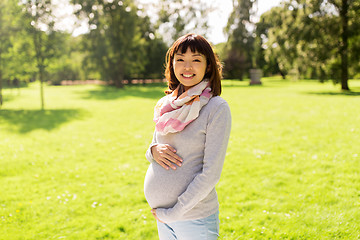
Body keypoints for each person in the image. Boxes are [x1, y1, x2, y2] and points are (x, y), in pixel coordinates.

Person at [144, 33, 231, 240]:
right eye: (180, 60)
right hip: (164, 219)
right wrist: (152, 151)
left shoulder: (216, 108)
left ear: (208, 66)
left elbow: (211, 174)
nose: (187, 67)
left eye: (196, 60)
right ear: (172, 65)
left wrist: (173, 214)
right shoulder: (167, 104)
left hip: (194, 219)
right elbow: (156, 145)